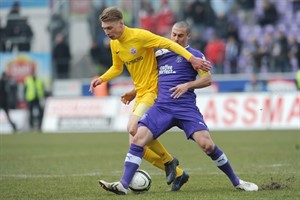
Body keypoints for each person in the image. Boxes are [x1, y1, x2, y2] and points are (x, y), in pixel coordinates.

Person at [98, 21, 258, 195]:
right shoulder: (159, 55)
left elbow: (208, 80)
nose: (175, 38)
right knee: (137, 137)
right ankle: (123, 184)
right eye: (173, 34)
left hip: (185, 108)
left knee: (207, 145)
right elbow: (151, 78)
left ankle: (237, 182)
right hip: (162, 107)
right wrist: (134, 91)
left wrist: (187, 85)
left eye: (180, 35)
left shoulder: (195, 55)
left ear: (188, 36)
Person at [89, 7, 211, 192]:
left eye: (110, 28)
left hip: (153, 92)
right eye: (105, 29)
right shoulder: (115, 44)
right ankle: (177, 172)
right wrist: (102, 78)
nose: (107, 33)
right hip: (141, 92)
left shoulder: (140, 36)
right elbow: (117, 67)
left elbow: (170, 44)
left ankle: (165, 163)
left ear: (121, 23)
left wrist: (192, 58)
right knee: (136, 143)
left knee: (133, 129)